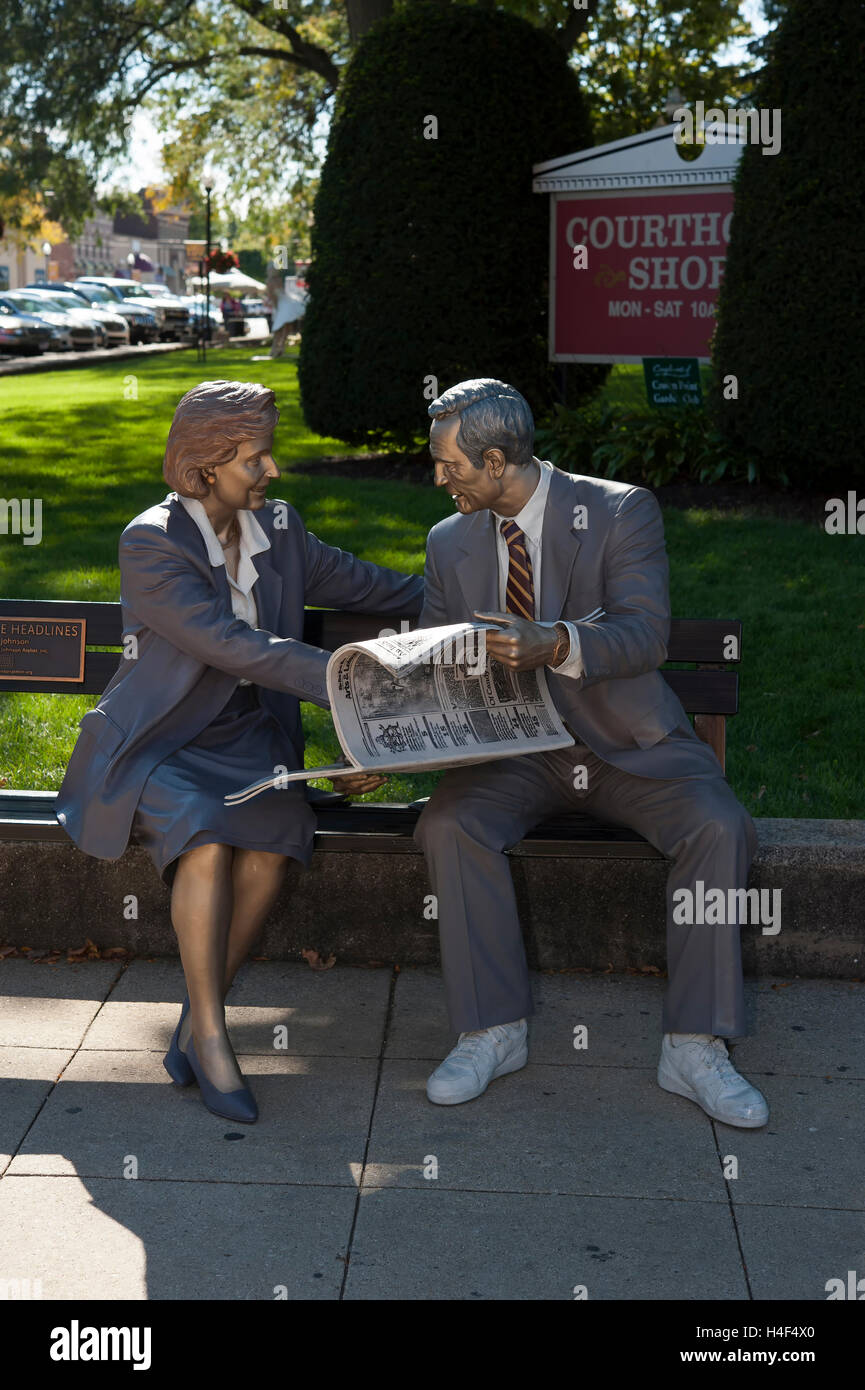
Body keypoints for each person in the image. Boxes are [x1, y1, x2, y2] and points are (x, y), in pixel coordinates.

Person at [55, 380, 422, 1124]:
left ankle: (195, 1018)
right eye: (255, 458)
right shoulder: (151, 540)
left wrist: (466, 610)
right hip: (164, 739)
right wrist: (351, 689)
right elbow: (232, 647)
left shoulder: (278, 529)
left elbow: (372, 584)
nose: (272, 472)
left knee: (276, 836)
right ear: (206, 465)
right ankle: (215, 1036)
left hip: (251, 740)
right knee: (204, 835)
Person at [413, 377, 768, 1128]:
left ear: (498, 459)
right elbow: (437, 657)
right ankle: (492, 1030)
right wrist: (387, 735)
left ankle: (693, 1045)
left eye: (450, 465)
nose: (437, 477)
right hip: (514, 755)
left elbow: (645, 633)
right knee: (447, 824)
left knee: (719, 826)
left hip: (625, 745)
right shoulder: (448, 541)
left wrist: (560, 641)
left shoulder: (616, 510)